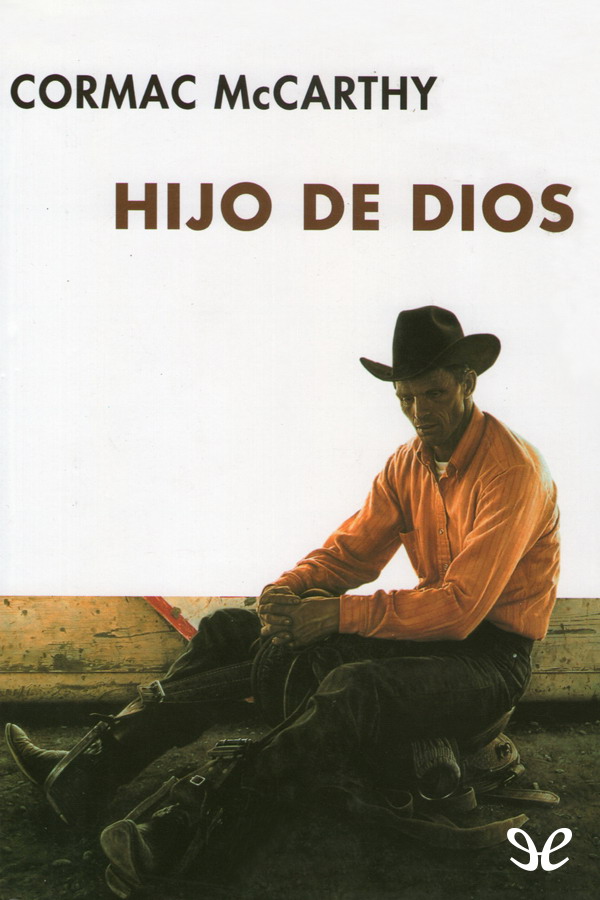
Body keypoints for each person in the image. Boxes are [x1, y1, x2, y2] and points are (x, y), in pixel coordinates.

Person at [6, 305, 560, 894]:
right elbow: (350, 554)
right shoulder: (407, 465)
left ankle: (190, 842)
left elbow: (459, 608)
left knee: (351, 688)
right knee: (229, 629)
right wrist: (288, 590)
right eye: (406, 397)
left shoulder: (511, 471)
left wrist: (336, 615)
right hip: (430, 637)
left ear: (467, 383)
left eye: (434, 394)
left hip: (488, 662)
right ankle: (87, 774)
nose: (420, 412)